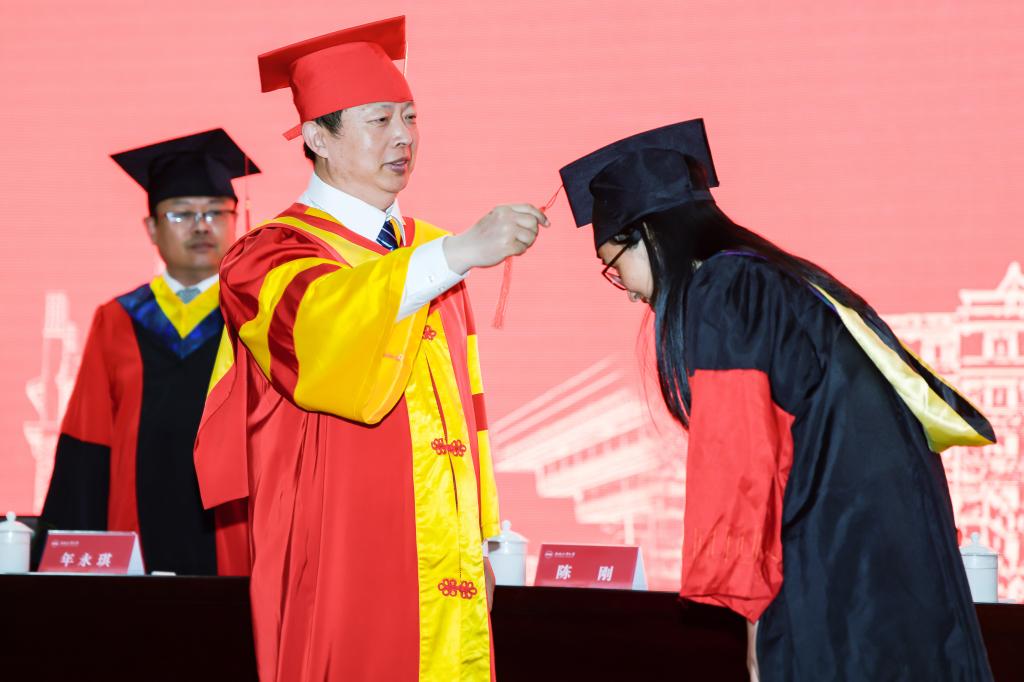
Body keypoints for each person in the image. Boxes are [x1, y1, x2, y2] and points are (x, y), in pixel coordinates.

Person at [559, 119, 996, 681]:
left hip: (837, 565)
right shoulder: (777, 282)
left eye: (615, 267)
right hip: (890, 563)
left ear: (648, 234)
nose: (629, 293)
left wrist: (755, 622)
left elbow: (742, 460)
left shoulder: (726, 290)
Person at [193, 15, 547, 681]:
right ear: (317, 138)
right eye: (379, 120)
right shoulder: (265, 256)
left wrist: (482, 538)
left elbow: (464, 405)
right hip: (337, 549)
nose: (403, 137)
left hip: (444, 554)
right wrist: (458, 253)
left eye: (410, 118)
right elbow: (324, 326)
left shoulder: (430, 249)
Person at [40, 128, 257, 576]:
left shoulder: (256, 316)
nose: (201, 226)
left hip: (236, 532)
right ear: (152, 228)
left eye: (216, 211)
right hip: (136, 536)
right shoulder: (118, 318)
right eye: (181, 213)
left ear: (237, 222)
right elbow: (88, 443)